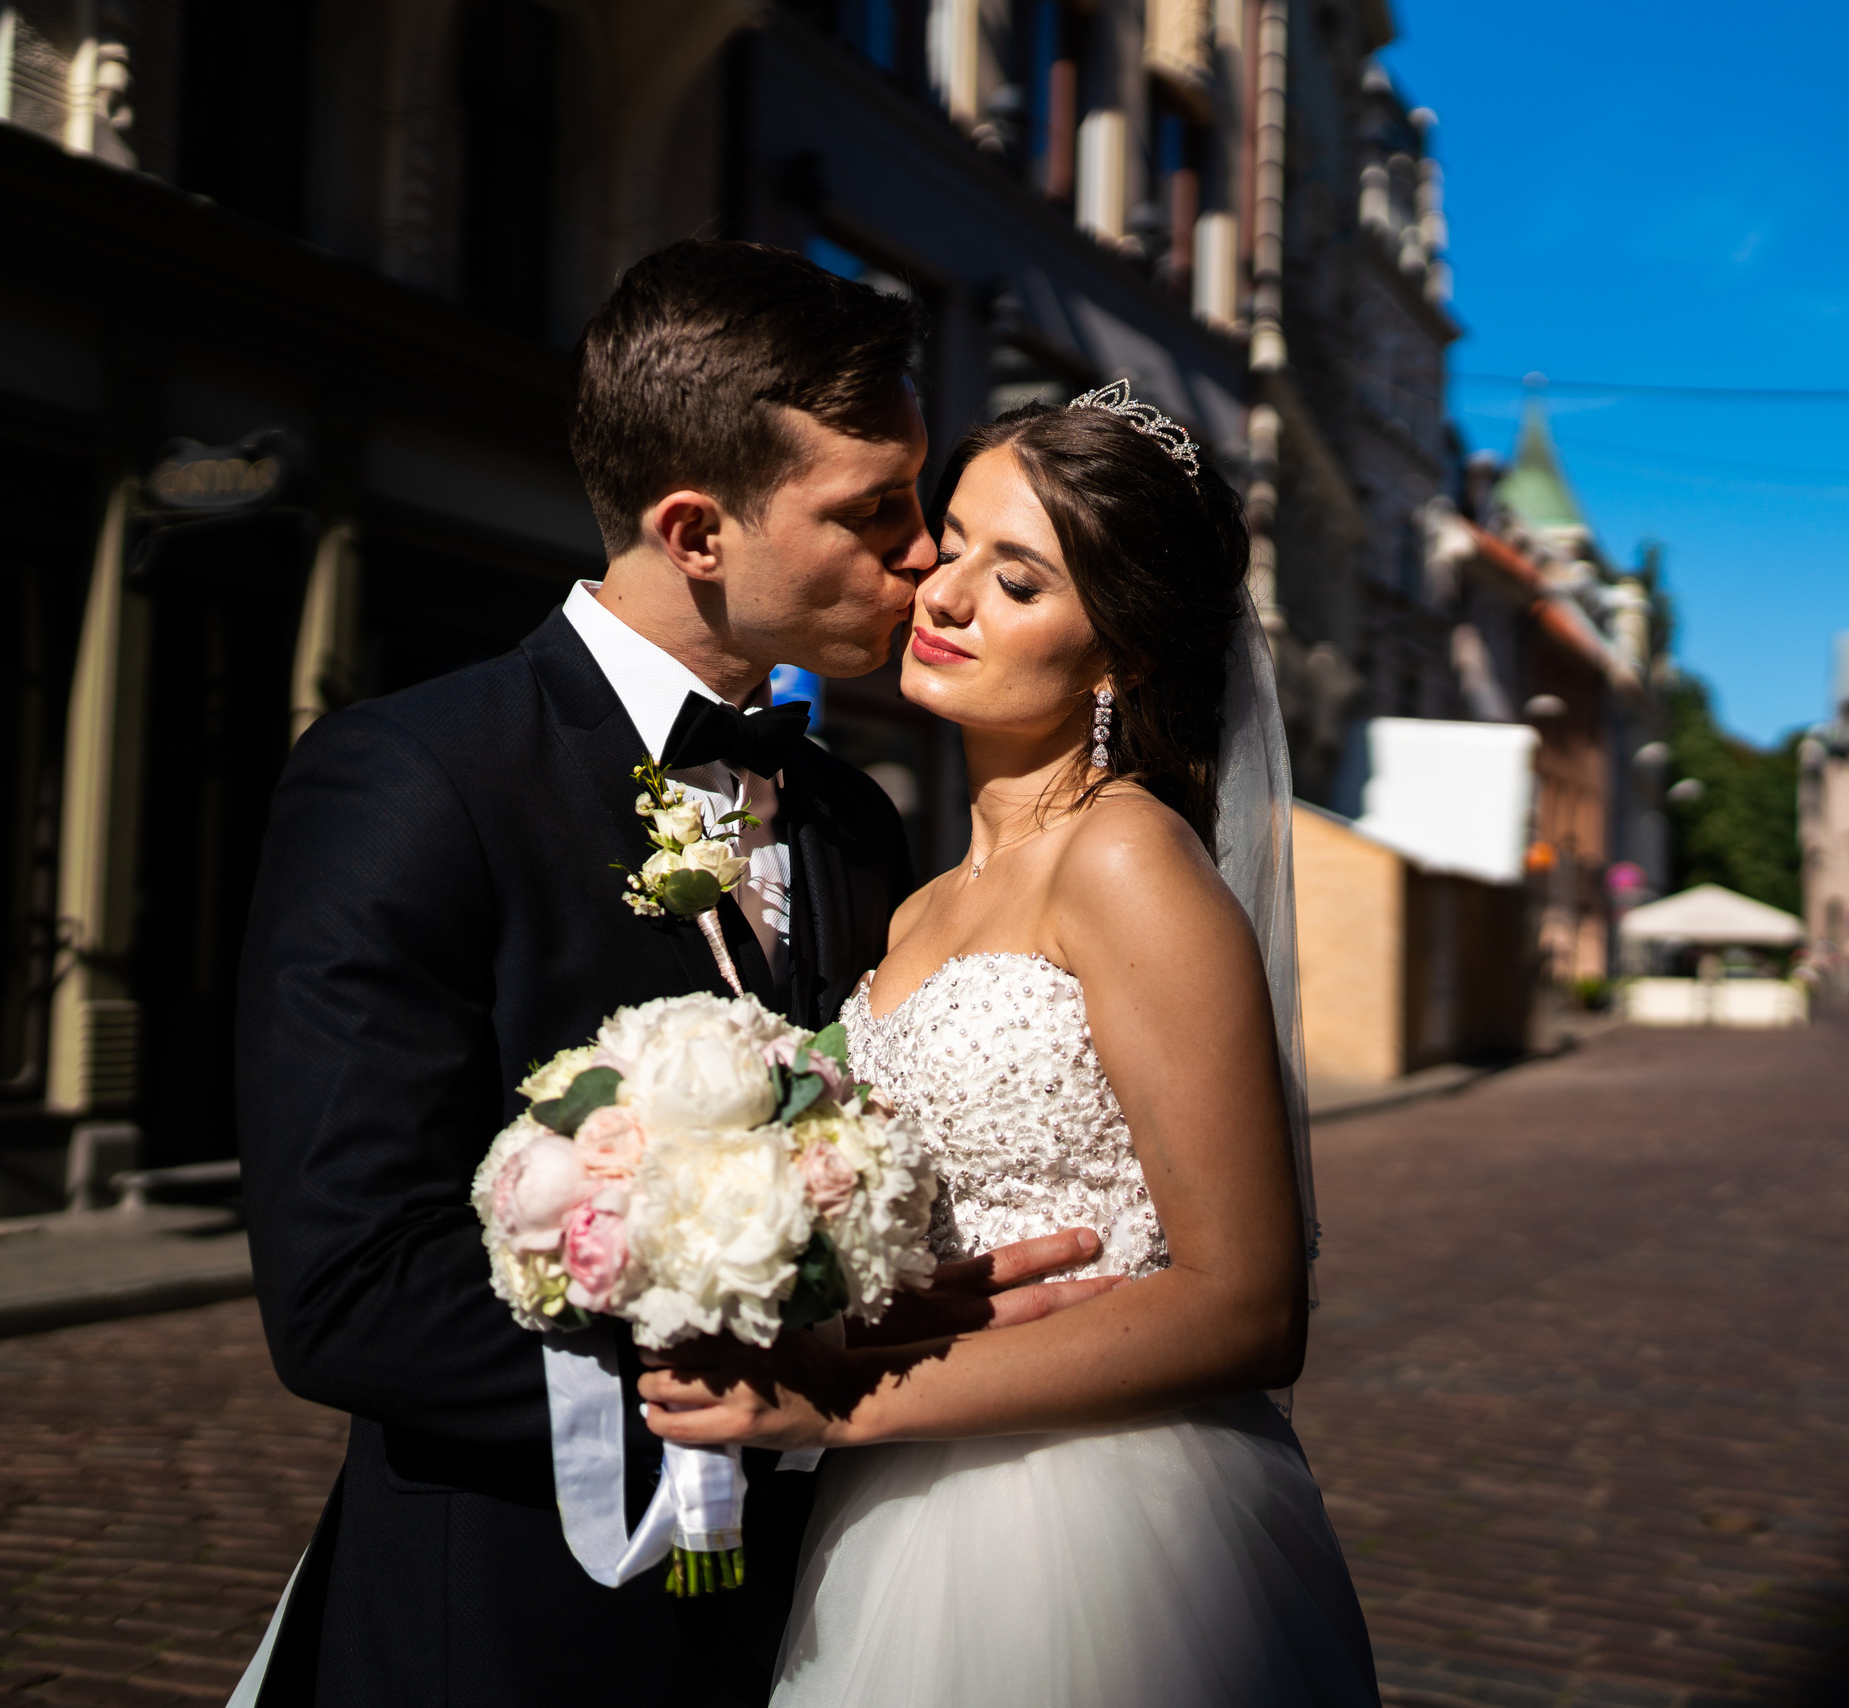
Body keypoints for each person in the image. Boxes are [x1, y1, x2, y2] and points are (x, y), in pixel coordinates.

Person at [231, 242, 1117, 1707]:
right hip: (512, 1622)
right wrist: (787, 1388)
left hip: (834, 1619)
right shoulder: (410, 781)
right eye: (875, 512)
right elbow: (351, 1293)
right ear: (697, 529)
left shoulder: (850, 812)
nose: (925, 558)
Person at [637, 391, 1381, 1706]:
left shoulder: (1127, 861)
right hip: (889, 1503)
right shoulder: (919, 901)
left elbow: (1250, 1305)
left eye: (1020, 578)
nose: (947, 592)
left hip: (1082, 1533)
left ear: (1122, 657)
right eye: (956, 538)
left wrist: (843, 1407)